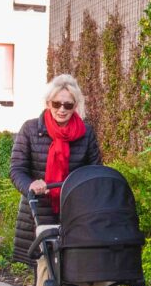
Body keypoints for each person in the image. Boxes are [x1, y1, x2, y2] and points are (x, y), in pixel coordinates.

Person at [9, 75, 102, 266]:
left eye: (68, 105)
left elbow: (94, 173)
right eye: (56, 103)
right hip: (38, 210)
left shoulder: (86, 133)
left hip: (74, 211)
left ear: (75, 105)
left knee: (71, 270)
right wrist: (31, 185)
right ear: (47, 103)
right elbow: (17, 169)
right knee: (43, 273)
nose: (61, 109)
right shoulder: (30, 129)